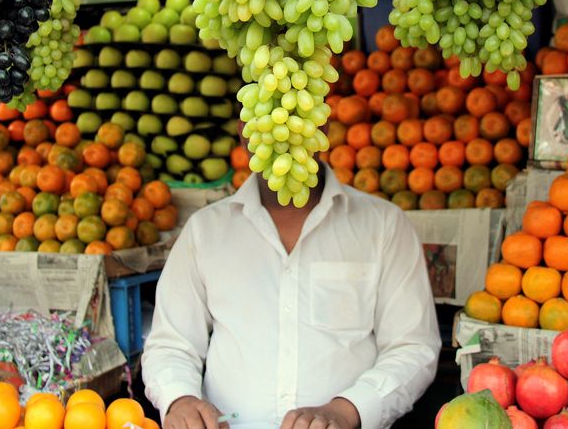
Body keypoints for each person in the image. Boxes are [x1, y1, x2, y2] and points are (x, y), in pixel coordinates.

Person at [142, 158, 441, 429]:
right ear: (244, 130)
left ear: (321, 125)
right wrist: (179, 399)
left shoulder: (383, 224)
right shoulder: (205, 230)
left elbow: (413, 346)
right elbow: (171, 344)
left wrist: (349, 409)